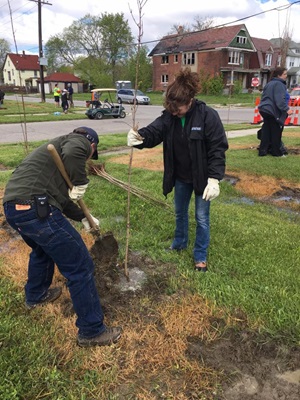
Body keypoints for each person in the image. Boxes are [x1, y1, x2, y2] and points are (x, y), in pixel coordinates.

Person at [3, 126, 122, 347]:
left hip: (14, 209)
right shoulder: (77, 141)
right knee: (80, 266)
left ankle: (36, 295)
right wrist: (81, 182)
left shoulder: (51, 163)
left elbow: (62, 201)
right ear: (91, 146)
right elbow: (75, 151)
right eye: (90, 154)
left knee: (42, 250)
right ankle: (92, 331)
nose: (87, 158)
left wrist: (85, 218)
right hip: (36, 208)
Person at [127, 68, 228, 272]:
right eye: (171, 109)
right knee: (180, 213)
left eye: (178, 109)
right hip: (181, 177)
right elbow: (154, 131)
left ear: (189, 100)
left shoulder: (208, 116)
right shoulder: (169, 117)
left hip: (202, 179)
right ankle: (179, 243)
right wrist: (139, 138)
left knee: (201, 217)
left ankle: (200, 256)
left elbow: (218, 148)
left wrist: (214, 179)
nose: (175, 113)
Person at [258, 67, 293, 157]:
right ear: (279, 75)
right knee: (276, 131)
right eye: (284, 74)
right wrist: (287, 109)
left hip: (264, 109)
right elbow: (280, 100)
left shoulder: (269, 84)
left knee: (266, 131)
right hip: (272, 111)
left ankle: (263, 151)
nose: (286, 76)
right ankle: (276, 152)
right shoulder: (279, 84)